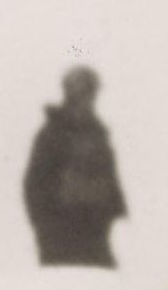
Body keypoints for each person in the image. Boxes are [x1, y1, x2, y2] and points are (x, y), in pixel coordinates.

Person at [22, 66, 128, 268]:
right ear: (70, 93)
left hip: (95, 228)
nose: (89, 98)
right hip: (61, 231)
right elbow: (34, 184)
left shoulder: (97, 134)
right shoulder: (52, 134)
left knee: (102, 289)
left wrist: (112, 210)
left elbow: (109, 175)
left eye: (92, 92)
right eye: (85, 92)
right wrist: (45, 227)